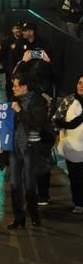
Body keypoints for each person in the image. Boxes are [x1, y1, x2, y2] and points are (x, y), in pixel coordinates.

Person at [8, 73, 52, 229]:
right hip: (14, 148)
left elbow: (36, 123)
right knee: (14, 184)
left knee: (29, 185)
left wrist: (19, 111)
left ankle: (33, 214)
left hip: (30, 147)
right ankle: (18, 217)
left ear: (25, 87)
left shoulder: (37, 101)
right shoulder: (14, 101)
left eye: (16, 85)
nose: (13, 88)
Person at [54, 74, 83, 214]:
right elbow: (56, 119)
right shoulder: (68, 100)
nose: (81, 85)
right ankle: (79, 203)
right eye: (79, 82)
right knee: (75, 176)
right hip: (73, 148)